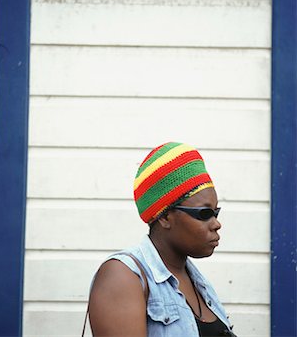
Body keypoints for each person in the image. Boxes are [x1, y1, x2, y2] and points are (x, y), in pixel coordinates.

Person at [86, 142, 237, 337]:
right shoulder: (122, 277)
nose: (216, 223)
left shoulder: (198, 283)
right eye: (204, 213)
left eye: (216, 212)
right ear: (165, 217)